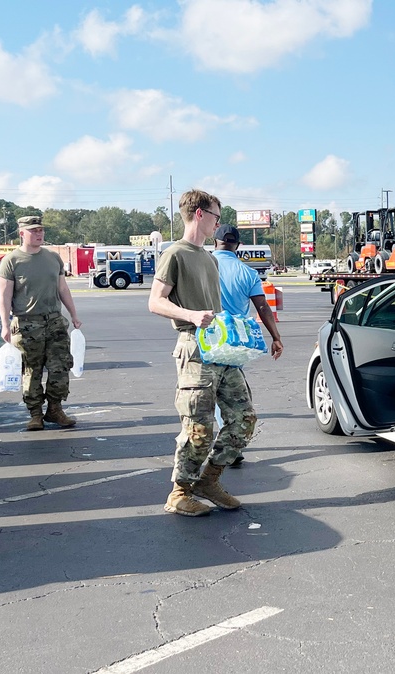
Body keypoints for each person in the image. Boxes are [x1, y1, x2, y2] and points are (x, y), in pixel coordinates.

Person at [147, 189, 255, 517]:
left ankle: (209, 479)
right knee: (199, 427)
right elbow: (155, 301)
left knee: (244, 419)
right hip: (193, 346)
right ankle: (179, 493)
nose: (217, 223)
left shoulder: (208, 257)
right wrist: (191, 315)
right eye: (215, 216)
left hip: (220, 347)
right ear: (199, 214)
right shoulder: (175, 254)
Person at [0, 215, 82, 431]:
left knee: (60, 367)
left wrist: (73, 313)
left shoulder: (53, 258)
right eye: (34, 230)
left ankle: (55, 409)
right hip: (26, 323)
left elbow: (63, 288)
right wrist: (5, 325)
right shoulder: (11, 261)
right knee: (31, 370)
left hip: (54, 321)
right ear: (21, 233)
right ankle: (35, 414)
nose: (39, 234)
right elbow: (4, 297)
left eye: (41, 230)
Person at [211, 224, 284, 467]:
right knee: (231, 395)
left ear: (215, 243)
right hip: (232, 342)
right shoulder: (247, 273)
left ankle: (215, 447)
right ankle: (230, 445)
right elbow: (262, 307)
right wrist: (275, 337)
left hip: (205, 338)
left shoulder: (204, 267)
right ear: (239, 246)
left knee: (207, 394)